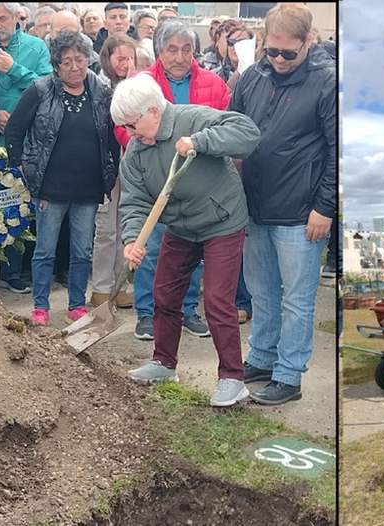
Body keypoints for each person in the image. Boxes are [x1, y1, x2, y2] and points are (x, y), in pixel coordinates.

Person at [112, 73, 261, 406]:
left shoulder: (192, 118)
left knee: (218, 302)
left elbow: (248, 134)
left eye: (132, 125)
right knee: (164, 292)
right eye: (125, 128)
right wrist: (133, 239)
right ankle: (164, 362)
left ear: (153, 111)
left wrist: (200, 142)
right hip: (180, 226)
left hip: (221, 220)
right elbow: (134, 200)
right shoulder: (136, 151)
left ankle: (232, 379)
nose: (130, 134)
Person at [229, 3, 336, 405]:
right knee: (261, 292)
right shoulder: (253, 77)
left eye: (287, 53)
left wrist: (324, 207)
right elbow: (232, 129)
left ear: (308, 41)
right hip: (256, 206)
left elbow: (336, 150)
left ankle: (289, 376)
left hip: (302, 214)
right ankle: (262, 357)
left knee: (297, 299)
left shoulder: (327, 82)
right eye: (271, 51)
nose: (278, 60)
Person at [4, 31, 118, 326]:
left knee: (82, 251)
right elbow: (14, 130)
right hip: (50, 187)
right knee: (45, 250)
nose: (74, 67)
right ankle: (40, 306)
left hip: (89, 187)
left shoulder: (102, 92)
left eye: (79, 60)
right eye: (66, 61)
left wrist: (113, 172)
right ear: (55, 65)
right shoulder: (40, 90)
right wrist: (22, 168)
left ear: (87, 60)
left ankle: (76, 305)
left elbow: (112, 137)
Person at [130, 20, 230, 341]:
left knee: (193, 251)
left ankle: (188, 308)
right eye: (172, 49)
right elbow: (124, 126)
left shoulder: (214, 84)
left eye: (186, 49)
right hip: (155, 178)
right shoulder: (142, 83)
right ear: (160, 51)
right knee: (150, 246)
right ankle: (148, 312)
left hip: (197, 185)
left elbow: (226, 126)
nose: (179, 56)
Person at [0, 2, 52, 293]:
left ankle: (13, 271)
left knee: (17, 205)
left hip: (24, 140)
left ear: (16, 18)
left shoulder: (36, 48)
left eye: (3, 18)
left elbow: (48, 85)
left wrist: (14, 69)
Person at [89, 34, 137, 309]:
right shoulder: (99, 86)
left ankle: (121, 284)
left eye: (130, 57)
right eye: (120, 58)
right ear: (108, 59)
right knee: (106, 229)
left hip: (130, 164)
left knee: (127, 228)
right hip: (107, 165)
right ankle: (101, 287)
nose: (125, 63)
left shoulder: (139, 85)